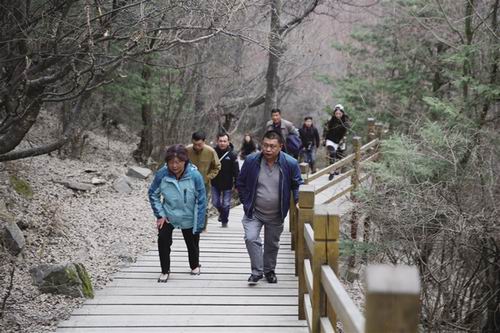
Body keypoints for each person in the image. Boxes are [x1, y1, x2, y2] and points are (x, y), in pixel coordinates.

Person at [236, 130, 303, 285]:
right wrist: (246, 201)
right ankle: (257, 272)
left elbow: (297, 184)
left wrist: (298, 199)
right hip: (254, 211)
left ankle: (269, 271)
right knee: (251, 238)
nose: (268, 149)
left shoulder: (290, 163)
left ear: (280, 146)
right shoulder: (252, 160)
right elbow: (240, 182)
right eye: (265, 145)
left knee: (272, 244)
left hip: (276, 212)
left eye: (272, 146)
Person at [148, 144, 206, 283]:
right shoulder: (162, 174)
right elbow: (152, 194)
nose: (174, 166)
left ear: (185, 161)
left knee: (192, 242)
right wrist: (160, 215)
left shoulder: (194, 175)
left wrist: (199, 222)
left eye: (178, 162)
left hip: (189, 215)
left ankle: (194, 265)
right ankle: (165, 270)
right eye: (171, 162)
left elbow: (202, 199)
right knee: (163, 239)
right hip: (169, 214)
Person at [187, 131, 221, 231]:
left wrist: (208, 177)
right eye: (195, 144)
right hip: (189, 182)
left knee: (203, 204)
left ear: (204, 142)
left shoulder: (210, 151)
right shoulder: (187, 150)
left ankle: (202, 226)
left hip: (204, 183)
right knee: (189, 204)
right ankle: (190, 225)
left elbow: (217, 166)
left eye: (199, 144)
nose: (197, 147)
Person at [211, 133, 240, 228]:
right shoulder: (213, 152)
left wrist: (237, 184)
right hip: (215, 182)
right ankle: (221, 213)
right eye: (220, 141)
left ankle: (224, 221)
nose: (222, 143)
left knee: (226, 204)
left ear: (228, 142)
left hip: (227, 183)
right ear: (217, 141)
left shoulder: (232, 155)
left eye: (224, 141)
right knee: (215, 202)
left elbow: (236, 171)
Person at [323, 104, 351, 181]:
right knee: (332, 154)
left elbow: (347, 132)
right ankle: (332, 171)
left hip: (340, 141)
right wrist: (324, 140)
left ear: (342, 113)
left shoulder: (346, 120)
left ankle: (337, 170)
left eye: (340, 113)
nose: (338, 115)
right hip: (330, 140)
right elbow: (325, 130)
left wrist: (345, 125)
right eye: (336, 113)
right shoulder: (330, 120)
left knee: (339, 156)